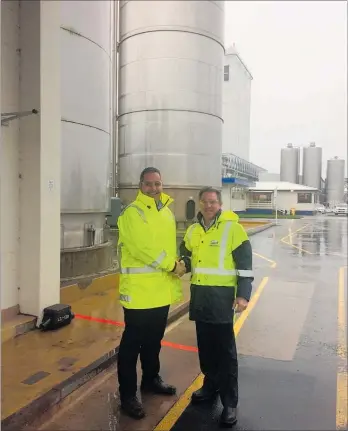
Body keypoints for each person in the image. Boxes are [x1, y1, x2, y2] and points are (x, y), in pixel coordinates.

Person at [179, 186, 254, 428]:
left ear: (220, 204)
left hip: (222, 298)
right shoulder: (193, 230)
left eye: (213, 201)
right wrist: (181, 264)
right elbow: (187, 255)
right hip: (200, 296)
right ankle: (210, 385)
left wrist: (243, 295)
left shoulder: (233, 229)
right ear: (199, 204)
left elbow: (244, 265)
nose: (208, 205)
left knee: (226, 354)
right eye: (205, 201)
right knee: (206, 347)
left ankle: (229, 402)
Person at [117, 167, 186, 419]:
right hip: (138, 294)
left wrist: (178, 263)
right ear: (140, 185)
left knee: (154, 341)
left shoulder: (166, 212)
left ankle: (150, 380)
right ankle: (127, 396)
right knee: (131, 345)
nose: (154, 188)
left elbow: (166, 247)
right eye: (149, 184)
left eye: (158, 184)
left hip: (160, 291)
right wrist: (171, 265)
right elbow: (141, 248)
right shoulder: (132, 213)